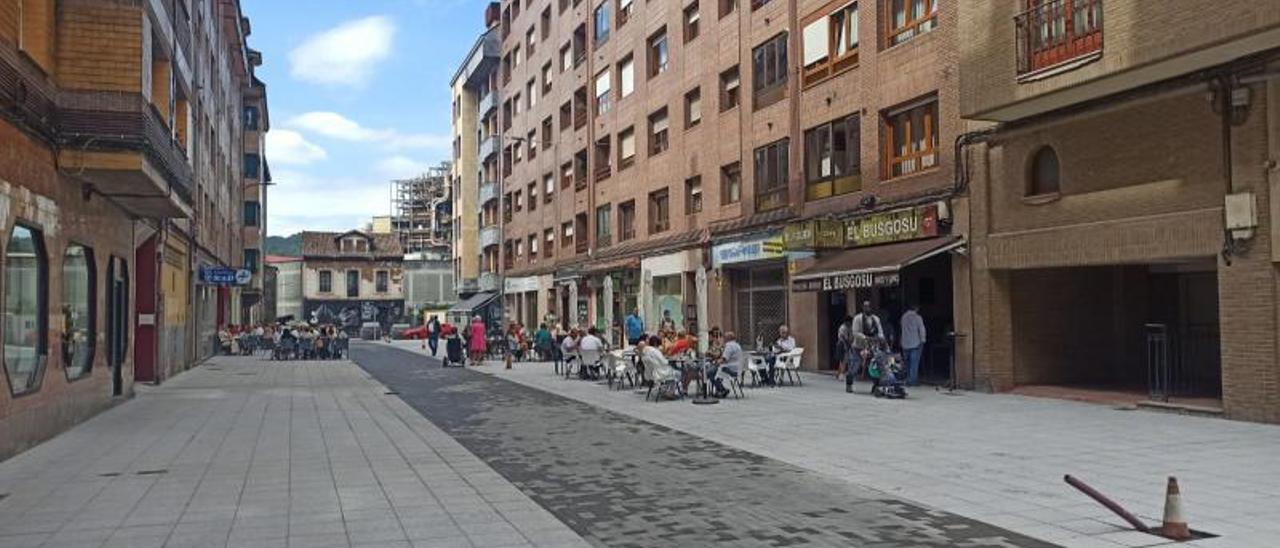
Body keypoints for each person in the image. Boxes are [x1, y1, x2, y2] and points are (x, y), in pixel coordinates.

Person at [848, 301, 884, 393]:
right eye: (866, 307)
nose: (868, 308)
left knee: (874, 367)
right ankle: (849, 384)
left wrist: (881, 338)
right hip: (858, 347)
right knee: (855, 366)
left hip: (872, 347)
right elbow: (855, 332)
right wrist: (865, 337)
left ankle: (876, 385)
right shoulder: (857, 318)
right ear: (863, 308)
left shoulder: (876, 319)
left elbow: (880, 331)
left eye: (869, 307)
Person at [900, 304, 927, 386]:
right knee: (914, 363)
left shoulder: (903, 317)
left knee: (907, 363)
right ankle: (912, 380)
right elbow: (921, 329)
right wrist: (923, 340)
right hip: (915, 343)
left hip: (905, 343)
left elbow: (902, 329)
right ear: (916, 308)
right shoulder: (918, 318)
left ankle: (908, 379)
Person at [710, 331, 744, 398]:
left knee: (711, 373)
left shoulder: (729, 346)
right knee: (715, 371)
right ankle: (719, 390)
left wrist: (715, 362)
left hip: (731, 369)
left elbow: (724, 359)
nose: (723, 339)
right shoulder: (737, 345)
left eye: (724, 337)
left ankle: (722, 390)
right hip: (738, 368)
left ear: (727, 338)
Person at [836, 315, 854, 381]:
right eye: (850, 322)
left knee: (842, 360)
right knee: (843, 360)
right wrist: (849, 345)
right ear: (847, 322)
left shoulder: (848, 327)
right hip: (842, 345)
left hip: (844, 344)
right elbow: (844, 338)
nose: (851, 323)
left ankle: (838, 374)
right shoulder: (843, 328)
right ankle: (841, 375)